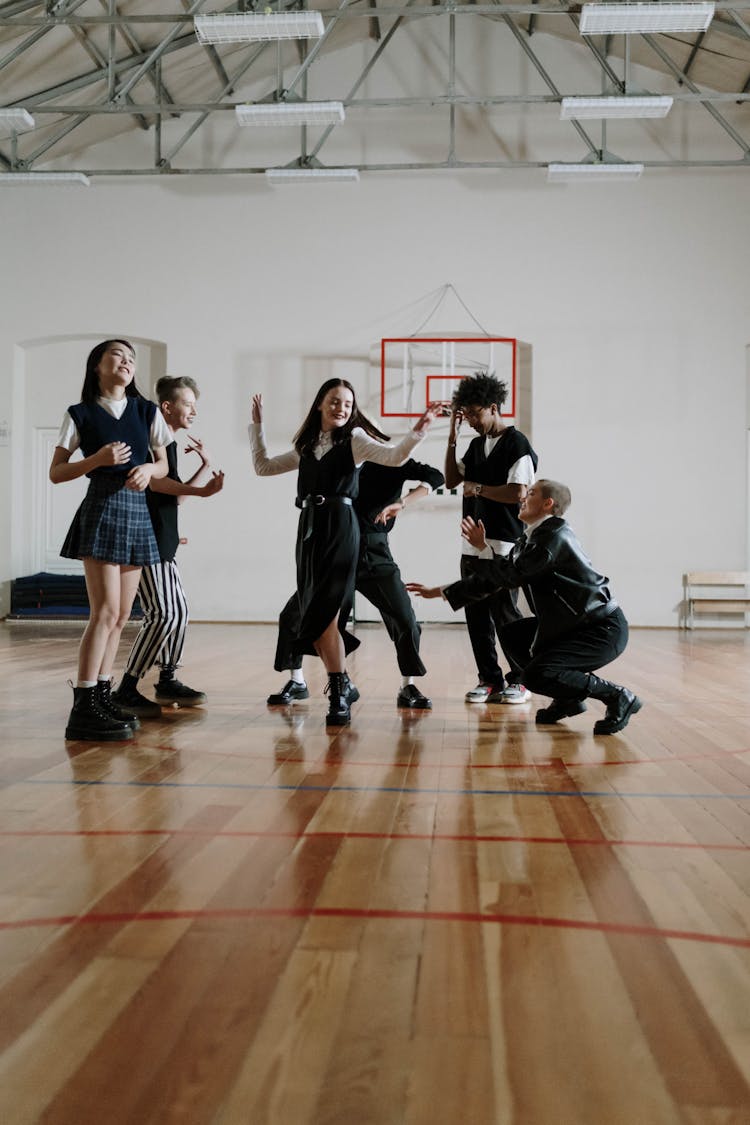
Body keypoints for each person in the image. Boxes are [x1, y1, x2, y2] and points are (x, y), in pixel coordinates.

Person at [250, 380, 436, 726]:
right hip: (308, 530)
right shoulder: (305, 447)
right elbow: (263, 467)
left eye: (348, 404)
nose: (342, 408)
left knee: (326, 613)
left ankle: (338, 692)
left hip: (340, 527)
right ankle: (342, 685)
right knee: (315, 615)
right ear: (320, 403)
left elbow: (395, 456)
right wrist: (257, 427)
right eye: (335, 401)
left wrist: (419, 431)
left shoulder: (355, 441)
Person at [406, 479, 642, 735]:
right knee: (513, 634)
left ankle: (618, 696)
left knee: (535, 675)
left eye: (530, 494)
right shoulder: (531, 538)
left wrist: (484, 548)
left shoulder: (552, 537)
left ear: (547, 504)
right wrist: (441, 592)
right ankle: (567, 697)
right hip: (573, 627)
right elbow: (494, 580)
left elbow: (510, 576)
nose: (522, 498)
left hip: (600, 630)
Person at [49, 339, 170, 742]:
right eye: (117, 355)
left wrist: (149, 471)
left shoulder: (147, 411)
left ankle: (102, 694)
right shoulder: (79, 413)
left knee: (121, 616)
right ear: (97, 366)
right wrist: (97, 461)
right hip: (101, 509)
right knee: (102, 613)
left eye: (132, 359)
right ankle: (82, 706)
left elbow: (163, 461)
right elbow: (57, 472)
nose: (127, 362)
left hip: (136, 512)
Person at [268, 457, 445, 711]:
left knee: (404, 618)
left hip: (374, 552)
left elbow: (436, 475)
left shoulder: (391, 459)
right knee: (293, 615)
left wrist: (402, 502)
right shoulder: (338, 462)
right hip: (337, 551)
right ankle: (296, 680)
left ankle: (408, 685)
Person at [112, 376, 225, 718]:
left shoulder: (169, 444)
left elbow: (173, 496)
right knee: (163, 613)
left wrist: (204, 467)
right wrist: (203, 491)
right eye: (188, 403)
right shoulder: (148, 438)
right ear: (167, 406)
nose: (194, 410)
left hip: (163, 540)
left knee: (179, 612)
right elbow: (156, 484)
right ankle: (128, 688)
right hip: (143, 537)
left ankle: (167, 678)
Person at [444, 371, 537, 705]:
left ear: (494, 408)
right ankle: (489, 680)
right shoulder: (474, 444)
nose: (469, 420)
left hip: (504, 544)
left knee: (506, 616)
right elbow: (452, 479)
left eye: (474, 414)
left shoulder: (517, 444)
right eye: (465, 415)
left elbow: (517, 493)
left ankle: (522, 680)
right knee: (477, 617)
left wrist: (480, 488)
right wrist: (452, 436)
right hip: (472, 543)